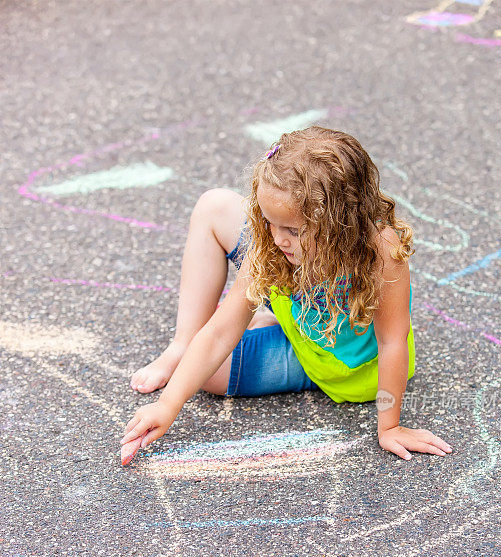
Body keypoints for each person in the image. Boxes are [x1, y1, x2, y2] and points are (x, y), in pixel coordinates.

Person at [121, 126, 453, 464]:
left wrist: (390, 427)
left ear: (340, 222)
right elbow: (221, 330)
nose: (278, 239)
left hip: (339, 366)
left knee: (210, 376)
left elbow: (392, 341)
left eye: (292, 229)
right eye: (269, 221)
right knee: (214, 207)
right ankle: (183, 344)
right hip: (306, 313)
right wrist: (167, 405)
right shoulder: (276, 243)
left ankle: (271, 318)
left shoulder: (381, 250)